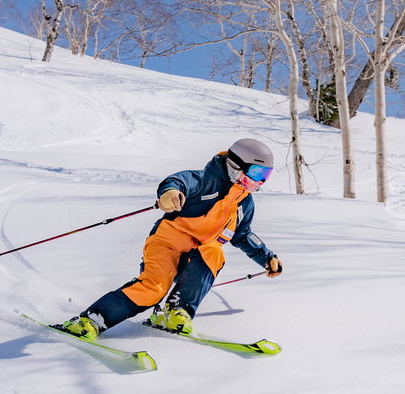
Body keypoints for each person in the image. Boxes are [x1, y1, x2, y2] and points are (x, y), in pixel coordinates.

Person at [60, 138, 283, 341]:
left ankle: (176, 312)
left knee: (214, 251)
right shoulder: (205, 180)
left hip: (198, 256)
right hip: (167, 243)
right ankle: (89, 321)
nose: (259, 181)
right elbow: (178, 182)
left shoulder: (244, 203)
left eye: (265, 175)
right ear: (235, 165)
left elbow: (242, 234)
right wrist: (169, 194)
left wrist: (267, 257)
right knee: (154, 288)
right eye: (256, 173)